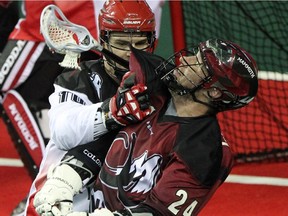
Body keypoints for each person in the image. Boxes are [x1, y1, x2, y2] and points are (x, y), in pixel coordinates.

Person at [33, 38, 258, 216]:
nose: (185, 60)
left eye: (198, 65)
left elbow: (156, 213)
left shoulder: (204, 151)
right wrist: (64, 180)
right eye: (194, 54)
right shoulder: (150, 87)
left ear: (214, 91)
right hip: (93, 202)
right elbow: (105, 142)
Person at [24, 1, 160, 215]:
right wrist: (112, 111)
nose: (130, 52)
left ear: (153, 41)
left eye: (140, 42)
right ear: (104, 40)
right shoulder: (79, 80)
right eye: (121, 43)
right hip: (60, 202)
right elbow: (62, 133)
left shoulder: (160, 87)